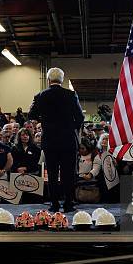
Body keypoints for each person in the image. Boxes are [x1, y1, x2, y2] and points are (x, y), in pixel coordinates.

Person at [29, 67, 84, 212]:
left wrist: (44, 121)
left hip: (50, 140)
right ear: (62, 80)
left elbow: (31, 115)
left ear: (48, 80)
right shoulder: (71, 95)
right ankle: (68, 203)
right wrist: (71, 127)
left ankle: (54, 204)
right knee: (68, 173)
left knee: (52, 173)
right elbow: (80, 117)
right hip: (68, 140)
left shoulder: (40, 96)